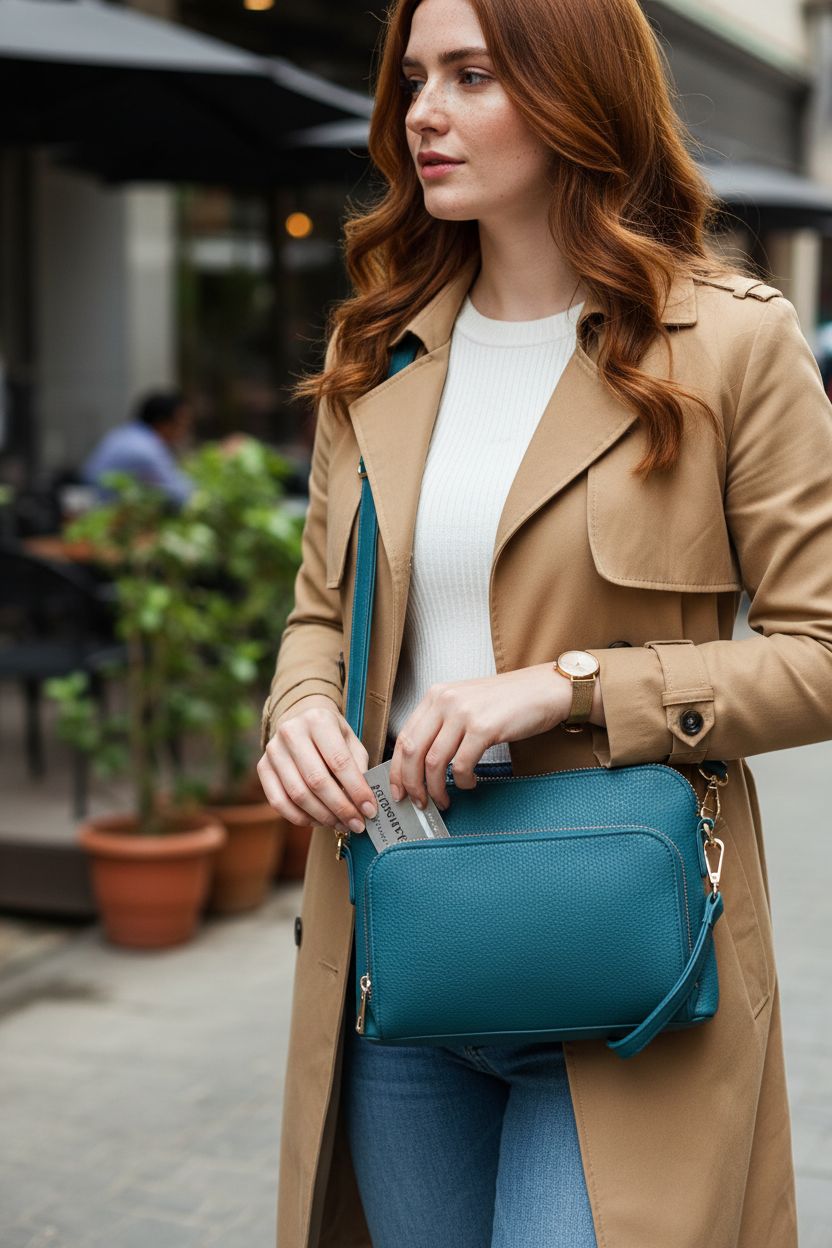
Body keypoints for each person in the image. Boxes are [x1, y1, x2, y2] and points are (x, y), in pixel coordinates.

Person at [256, 0, 831, 1243]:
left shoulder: (728, 343)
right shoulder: (379, 352)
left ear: (578, 93)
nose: (421, 113)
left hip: (626, 964)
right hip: (399, 936)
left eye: (471, 75)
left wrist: (570, 686)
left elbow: (822, 654)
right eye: (413, 77)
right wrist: (298, 706)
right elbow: (317, 615)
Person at [81, 390, 194, 507]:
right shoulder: (145, 449)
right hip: (101, 510)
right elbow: (180, 495)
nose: (184, 432)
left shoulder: (127, 433)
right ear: (163, 424)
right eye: (182, 424)